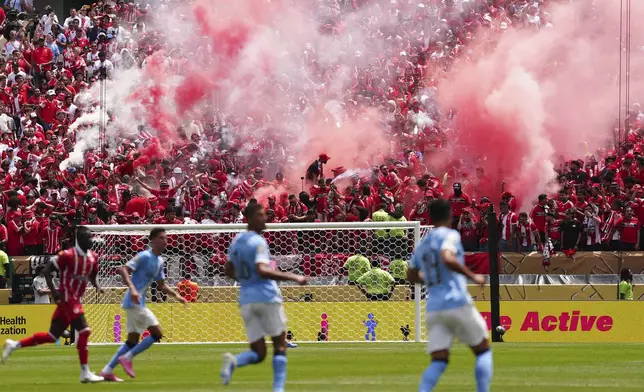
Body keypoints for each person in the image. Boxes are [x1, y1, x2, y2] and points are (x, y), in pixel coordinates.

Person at [220, 203, 309, 392]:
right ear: (250, 218)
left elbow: (227, 269)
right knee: (280, 345)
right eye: (260, 215)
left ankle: (234, 362)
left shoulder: (236, 241)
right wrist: (294, 276)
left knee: (259, 353)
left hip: (246, 299)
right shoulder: (258, 241)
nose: (265, 218)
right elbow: (262, 270)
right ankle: (278, 389)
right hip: (267, 297)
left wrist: (245, 280)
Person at [407, 199, 492, 392]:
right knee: (482, 350)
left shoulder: (422, 244)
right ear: (449, 216)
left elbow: (411, 275)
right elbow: (447, 257)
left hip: (434, 307)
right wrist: (473, 276)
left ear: (430, 217)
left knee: (439, 360)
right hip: (456, 301)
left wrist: (430, 280)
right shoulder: (450, 234)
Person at [2, 226, 104, 383]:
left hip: (73, 299)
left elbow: (93, 273)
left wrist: (96, 284)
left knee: (52, 336)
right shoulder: (67, 255)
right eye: (89, 238)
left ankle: (14, 345)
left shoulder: (93, 256)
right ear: (80, 240)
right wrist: (54, 292)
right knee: (84, 331)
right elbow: (46, 271)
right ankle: (85, 372)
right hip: (67, 298)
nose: (92, 240)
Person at [100, 228, 188, 381]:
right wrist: (133, 289)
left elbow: (162, 285)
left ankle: (107, 370)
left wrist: (178, 296)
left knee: (132, 341)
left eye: (166, 238)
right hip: (135, 302)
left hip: (136, 302)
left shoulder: (160, 261)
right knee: (157, 333)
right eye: (161, 238)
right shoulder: (144, 256)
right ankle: (127, 358)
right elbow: (123, 270)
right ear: (152, 240)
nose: (165, 241)